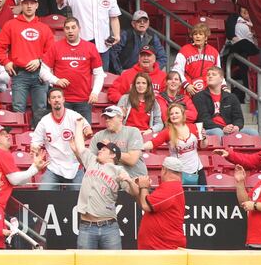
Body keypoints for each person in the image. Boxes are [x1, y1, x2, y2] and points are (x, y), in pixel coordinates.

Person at [68, 117, 136, 250]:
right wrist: (79, 124)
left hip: (109, 227)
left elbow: (134, 192)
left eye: (103, 150)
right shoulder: (91, 161)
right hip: (86, 226)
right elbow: (81, 147)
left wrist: (129, 181)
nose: (99, 151)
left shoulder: (118, 170)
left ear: (112, 155)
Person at [0, 0, 54, 126]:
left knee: (40, 109)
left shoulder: (45, 28)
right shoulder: (11, 25)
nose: (29, 6)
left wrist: (39, 60)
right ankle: (20, 140)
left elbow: (51, 52)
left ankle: (39, 142)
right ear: (21, 5)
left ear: (37, 5)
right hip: (19, 73)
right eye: (26, 3)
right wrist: (6, 62)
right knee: (18, 108)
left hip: (40, 73)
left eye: (32, 3)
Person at [56, 0, 121, 70]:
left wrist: (117, 35)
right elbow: (59, 3)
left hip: (103, 44)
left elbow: (114, 17)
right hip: (82, 41)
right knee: (82, 76)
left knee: (101, 77)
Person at [40, 17, 104, 123]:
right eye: (67, 28)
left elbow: (99, 73)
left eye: (73, 27)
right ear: (64, 30)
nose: (70, 31)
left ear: (79, 28)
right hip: (62, 100)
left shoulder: (90, 47)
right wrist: (56, 80)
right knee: (62, 134)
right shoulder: (56, 47)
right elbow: (43, 71)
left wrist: (95, 92)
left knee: (84, 134)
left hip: (84, 100)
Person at [31, 88, 92, 190]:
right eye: (53, 97)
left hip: (75, 166)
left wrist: (86, 132)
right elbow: (35, 143)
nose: (56, 100)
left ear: (63, 99)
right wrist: (34, 149)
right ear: (49, 101)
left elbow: (88, 129)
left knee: (80, 198)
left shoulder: (74, 115)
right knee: (42, 193)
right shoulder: (44, 121)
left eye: (59, 97)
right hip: (53, 167)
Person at [0, 125, 48, 210]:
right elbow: (15, 180)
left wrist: (34, 165)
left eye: (7, 133)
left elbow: (21, 182)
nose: (7, 135)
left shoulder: (2, 153)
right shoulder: (1, 153)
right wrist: (35, 168)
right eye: (3, 134)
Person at [129, 156, 186, 250]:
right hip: (158, 247)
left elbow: (146, 206)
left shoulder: (170, 187)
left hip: (162, 247)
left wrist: (144, 187)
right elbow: (146, 204)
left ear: (164, 170)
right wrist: (138, 190)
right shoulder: (172, 187)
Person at [143, 103, 207, 186]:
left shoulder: (193, 127)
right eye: (171, 114)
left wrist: (204, 138)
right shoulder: (167, 131)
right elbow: (152, 143)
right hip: (177, 172)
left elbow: (203, 146)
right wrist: (139, 147)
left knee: (202, 196)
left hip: (197, 169)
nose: (174, 115)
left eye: (177, 113)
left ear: (183, 114)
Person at [194, 66, 256, 137]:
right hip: (209, 129)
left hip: (229, 129)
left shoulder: (231, 97)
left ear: (221, 79)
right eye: (208, 75)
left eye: (213, 74)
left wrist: (236, 127)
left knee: (253, 132)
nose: (210, 76)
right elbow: (203, 120)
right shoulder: (199, 96)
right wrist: (223, 128)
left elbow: (238, 118)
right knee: (218, 132)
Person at [171, 23, 222, 96]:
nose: (197, 36)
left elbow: (219, 72)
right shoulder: (184, 50)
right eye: (195, 34)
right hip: (189, 88)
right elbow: (177, 69)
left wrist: (223, 86)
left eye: (201, 34)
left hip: (208, 89)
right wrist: (186, 84)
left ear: (206, 37)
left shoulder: (214, 52)